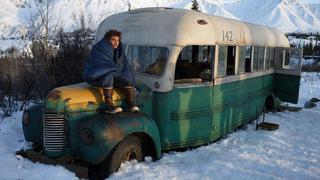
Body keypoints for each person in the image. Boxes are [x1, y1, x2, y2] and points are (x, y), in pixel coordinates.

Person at [83, 30, 139, 114]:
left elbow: (124, 66)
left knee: (127, 79)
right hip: (96, 76)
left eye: (117, 40)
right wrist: (113, 69)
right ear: (107, 40)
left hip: (113, 75)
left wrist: (127, 79)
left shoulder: (119, 52)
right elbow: (101, 66)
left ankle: (130, 103)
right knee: (108, 75)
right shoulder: (99, 49)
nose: (116, 42)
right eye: (113, 40)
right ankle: (109, 106)